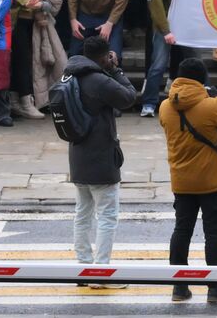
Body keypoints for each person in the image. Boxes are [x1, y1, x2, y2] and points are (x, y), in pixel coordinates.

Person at [159, 57, 217, 304]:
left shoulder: (164, 107)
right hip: (211, 180)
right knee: (213, 234)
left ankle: (179, 288)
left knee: (182, 230)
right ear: (201, 79)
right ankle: (215, 288)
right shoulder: (211, 105)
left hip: (181, 180)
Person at [62, 34, 137, 270]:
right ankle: (101, 269)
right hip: (100, 157)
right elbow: (128, 97)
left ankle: (83, 264)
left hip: (78, 154)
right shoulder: (98, 80)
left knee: (83, 213)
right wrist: (116, 70)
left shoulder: (70, 74)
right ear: (105, 57)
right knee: (107, 216)